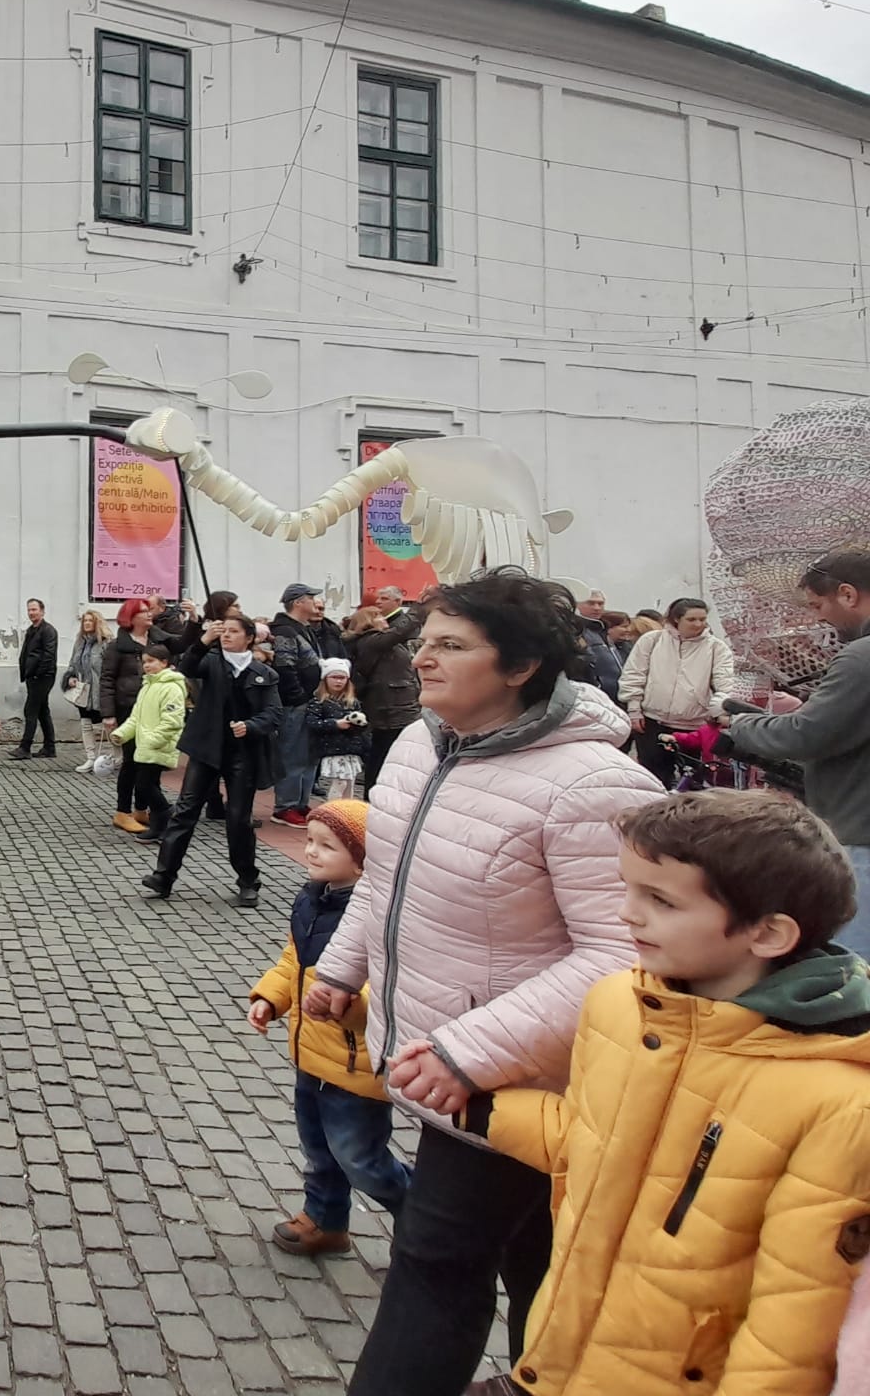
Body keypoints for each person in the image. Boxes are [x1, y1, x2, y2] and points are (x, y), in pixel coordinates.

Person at [303, 567, 662, 1396]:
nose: (423, 660)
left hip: (523, 1081)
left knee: (436, 1263)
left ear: (520, 666)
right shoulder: (418, 742)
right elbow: (387, 880)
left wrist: (469, 1050)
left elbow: (626, 957)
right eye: (423, 642)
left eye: (452, 646)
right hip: (450, 1062)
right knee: (542, 1261)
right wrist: (340, 969)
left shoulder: (593, 785)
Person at [443, 790, 870, 1396]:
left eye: (660, 901)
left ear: (769, 933)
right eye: (629, 889)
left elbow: (792, 1323)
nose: (627, 914)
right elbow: (592, 1143)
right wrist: (484, 1106)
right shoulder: (622, 1006)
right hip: (560, 1361)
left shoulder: (840, 1102)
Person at [247, 800, 408, 1257]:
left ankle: (421, 1218)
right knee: (319, 1150)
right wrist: (269, 998)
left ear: (363, 860)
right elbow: (292, 962)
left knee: (362, 1160)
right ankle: (325, 1219)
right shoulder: (311, 900)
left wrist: (352, 1006)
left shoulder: (379, 917)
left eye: (327, 845)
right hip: (311, 1055)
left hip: (356, 1066)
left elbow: (391, 989)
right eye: (310, 841)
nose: (312, 852)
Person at [722, 550, 870, 959]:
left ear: (847, 594)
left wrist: (742, 727)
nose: (820, 618)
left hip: (861, 836)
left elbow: (807, 735)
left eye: (818, 605)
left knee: (853, 966)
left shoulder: (861, 658)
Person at [140, 615, 281, 905]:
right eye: (223, 631)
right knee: (185, 811)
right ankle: (163, 876)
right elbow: (188, 666)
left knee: (238, 818)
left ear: (250, 637)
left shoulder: (263, 674)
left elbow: (274, 713)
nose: (226, 636)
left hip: (242, 754)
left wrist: (251, 726)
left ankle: (247, 880)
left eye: (233, 632)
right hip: (206, 748)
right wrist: (203, 641)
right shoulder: (211, 661)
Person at [620, 595, 736, 787]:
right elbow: (633, 675)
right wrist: (633, 709)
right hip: (652, 721)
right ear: (676, 619)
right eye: (691, 619)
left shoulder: (717, 647)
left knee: (692, 781)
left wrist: (716, 714)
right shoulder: (652, 640)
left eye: (702, 619)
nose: (698, 624)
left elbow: (725, 685)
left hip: (694, 724)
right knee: (653, 779)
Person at [269, 584, 345, 827]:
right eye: (311, 598)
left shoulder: (303, 629)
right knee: (293, 753)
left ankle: (301, 803)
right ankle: (285, 806)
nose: (315, 602)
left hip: (311, 700)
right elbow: (285, 665)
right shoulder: (286, 631)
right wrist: (299, 696)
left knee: (310, 754)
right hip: (297, 704)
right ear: (299, 602)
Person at [109, 643, 185, 842]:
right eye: (144, 662)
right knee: (148, 785)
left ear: (164, 662)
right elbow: (136, 717)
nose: (147, 666)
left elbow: (172, 721)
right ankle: (163, 822)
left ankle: (166, 817)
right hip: (144, 747)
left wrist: (152, 740)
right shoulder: (147, 686)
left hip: (158, 746)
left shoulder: (172, 688)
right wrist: (121, 734)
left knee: (145, 785)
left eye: (151, 661)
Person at [101, 600, 165, 832]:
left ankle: (141, 808)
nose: (150, 614)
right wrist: (108, 715)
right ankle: (122, 811)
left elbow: (181, 643)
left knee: (152, 760)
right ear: (132, 617)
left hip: (154, 709)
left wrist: (197, 624)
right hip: (128, 708)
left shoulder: (156, 641)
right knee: (132, 761)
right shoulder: (117, 646)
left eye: (150, 610)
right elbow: (107, 680)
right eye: (144, 611)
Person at [344, 604, 422, 793]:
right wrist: (419, 607)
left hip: (398, 704)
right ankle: (373, 795)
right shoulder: (370, 641)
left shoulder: (380, 642)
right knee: (382, 753)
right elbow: (402, 629)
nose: (384, 618)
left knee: (388, 752)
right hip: (389, 707)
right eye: (378, 615)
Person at [305, 657, 370, 802]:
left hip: (351, 750)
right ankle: (331, 812)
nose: (338, 681)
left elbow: (362, 729)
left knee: (350, 785)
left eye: (342, 678)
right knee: (339, 783)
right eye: (334, 677)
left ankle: (345, 814)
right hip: (333, 749)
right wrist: (335, 724)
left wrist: (358, 726)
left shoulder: (352, 702)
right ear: (325, 678)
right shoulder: (318, 701)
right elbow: (312, 723)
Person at [12, 598, 59, 760]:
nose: (31, 613)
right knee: (42, 711)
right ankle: (49, 747)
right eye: (29, 610)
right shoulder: (31, 630)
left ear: (42, 611)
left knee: (30, 710)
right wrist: (25, 672)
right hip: (32, 676)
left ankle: (25, 747)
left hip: (43, 677)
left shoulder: (48, 631)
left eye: (34, 610)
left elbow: (48, 655)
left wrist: (38, 673)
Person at [65, 609, 111, 773]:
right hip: (84, 690)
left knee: (107, 725)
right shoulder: (79, 642)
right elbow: (72, 663)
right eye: (85, 620)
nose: (87, 623)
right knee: (85, 723)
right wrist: (70, 677)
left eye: (90, 620)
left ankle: (117, 756)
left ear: (97, 622)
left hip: (100, 690)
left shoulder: (106, 642)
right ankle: (90, 757)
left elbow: (110, 668)